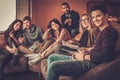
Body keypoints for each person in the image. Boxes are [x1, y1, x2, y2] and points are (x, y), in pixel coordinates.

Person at [45, 4, 118, 80]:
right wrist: (87, 50)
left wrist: (84, 57)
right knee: (52, 57)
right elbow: (100, 48)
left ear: (106, 16)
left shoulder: (109, 31)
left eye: (98, 16)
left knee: (54, 66)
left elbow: (107, 55)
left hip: (91, 62)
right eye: (93, 17)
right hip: (88, 55)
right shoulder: (101, 31)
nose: (95, 19)